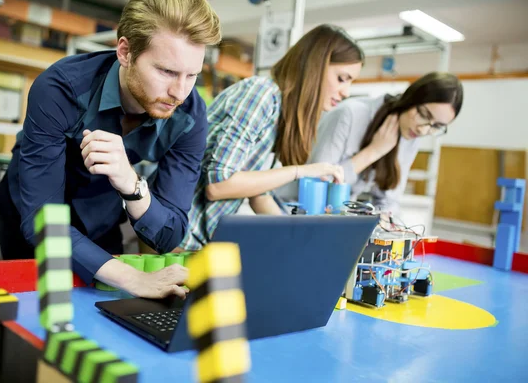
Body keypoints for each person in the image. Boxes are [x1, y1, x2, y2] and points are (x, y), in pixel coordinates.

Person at [0, 0, 221, 298]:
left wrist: (133, 185)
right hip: (30, 221)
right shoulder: (60, 89)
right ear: (125, 52)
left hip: (100, 222)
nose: (180, 92)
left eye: (192, 75)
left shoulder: (191, 116)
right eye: (167, 72)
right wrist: (133, 278)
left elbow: (169, 234)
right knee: (32, 323)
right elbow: (42, 222)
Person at [178, 24, 365, 251]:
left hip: (200, 240)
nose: (346, 92)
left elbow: (258, 194)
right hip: (178, 235)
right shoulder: (261, 94)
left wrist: (297, 238)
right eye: (342, 78)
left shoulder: (281, 114)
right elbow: (219, 185)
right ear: (316, 67)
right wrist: (301, 171)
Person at [309, 72, 464, 215]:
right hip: (303, 211)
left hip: (338, 217)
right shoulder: (350, 114)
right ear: (411, 98)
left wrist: (383, 219)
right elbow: (317, 184)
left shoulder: (410, 135)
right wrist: (374, 152)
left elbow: (389, 200)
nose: (423, 131)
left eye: (437, 126)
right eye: (424, 115)